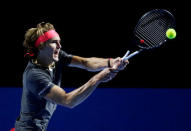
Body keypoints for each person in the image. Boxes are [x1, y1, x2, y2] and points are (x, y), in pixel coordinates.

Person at [14, 22, 129, 131]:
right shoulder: (34, 75)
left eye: (59, 42)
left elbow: (86, 63)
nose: (60, 46)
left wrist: (111, 62)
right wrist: (98, 78)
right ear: (41, 46)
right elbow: (68, 100)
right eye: (54, 42)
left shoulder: (56, 57)